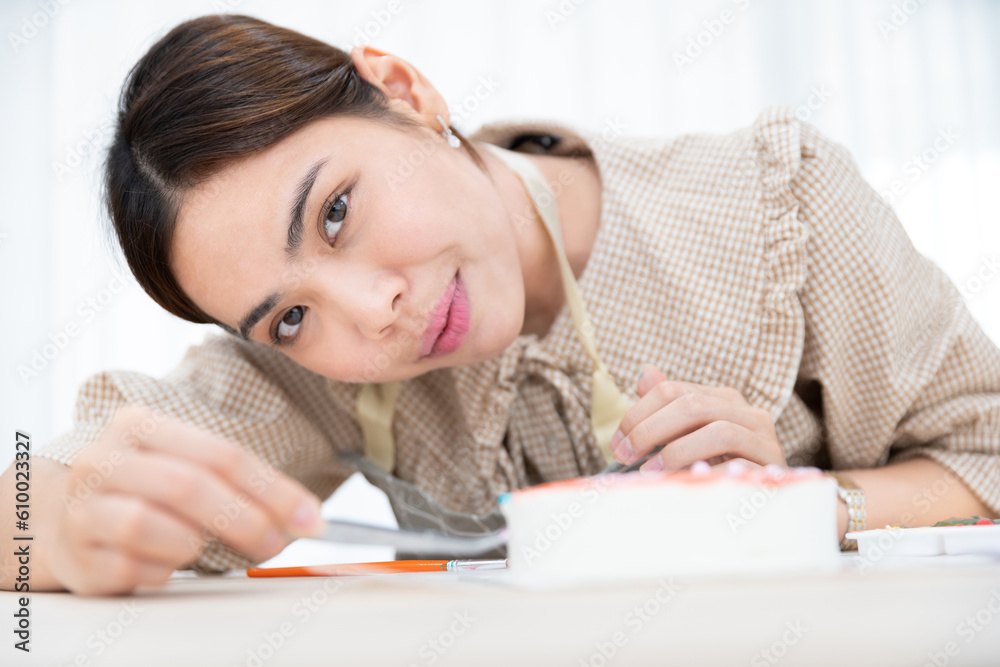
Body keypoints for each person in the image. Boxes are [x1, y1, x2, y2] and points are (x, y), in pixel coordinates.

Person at [2, 13, 997, 596]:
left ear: (403, 91)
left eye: (338, 211)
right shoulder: (308, 378)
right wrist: (59, 519)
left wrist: (802, 505)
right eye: (289, 315)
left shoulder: (783, 202)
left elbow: (985, 456)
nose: (370, 312)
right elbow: (45, 484)